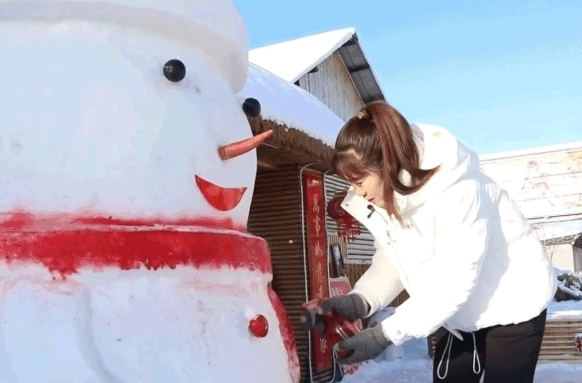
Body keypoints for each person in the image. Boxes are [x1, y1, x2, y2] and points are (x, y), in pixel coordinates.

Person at [314, 101, 557, 383]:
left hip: (512, 304)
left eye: (360, 180)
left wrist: (383, 335)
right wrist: (360, 300)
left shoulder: (460, 192)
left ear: (388, 164)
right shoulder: (393, 195)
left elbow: (453, 282)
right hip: (457, 314)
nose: (357, 192)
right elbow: (394, 261)